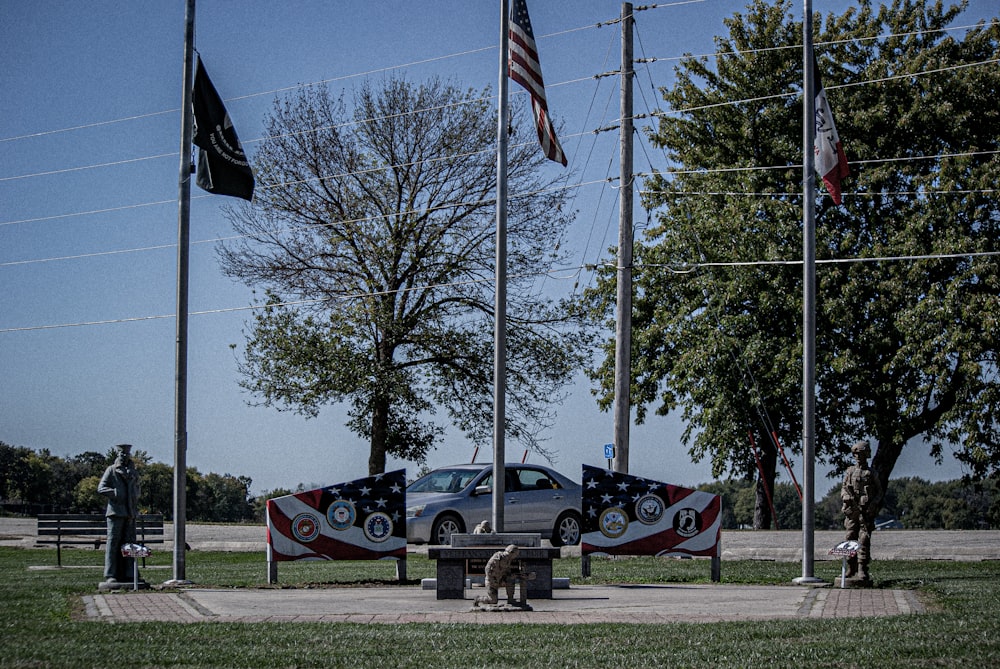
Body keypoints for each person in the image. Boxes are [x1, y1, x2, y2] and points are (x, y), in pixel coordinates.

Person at [97, 443, 141, 585]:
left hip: (129, 512)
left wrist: (134, 496)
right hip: (116, 512)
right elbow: (101, 488)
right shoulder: (111, 470)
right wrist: (116, 494)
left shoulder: (133, 472)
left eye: (127, 454)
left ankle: (130, 572)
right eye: (122, 454)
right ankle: (111, 574)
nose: (125, 456)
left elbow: (137, 488)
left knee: (130, 543)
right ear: (118, 455)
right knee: (113, 543)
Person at [841, 440, 882, 581]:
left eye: (861, 453)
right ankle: (851, 568)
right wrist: (846, 497)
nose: (858, 456)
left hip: (865, 511)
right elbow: (844, 488)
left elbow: (879, 493)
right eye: (856, 454)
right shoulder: (850, 471)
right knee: (850, 537)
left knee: (864, 539)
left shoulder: (871, 473)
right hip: (852, 510)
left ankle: (862, 568)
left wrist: (872, 505)